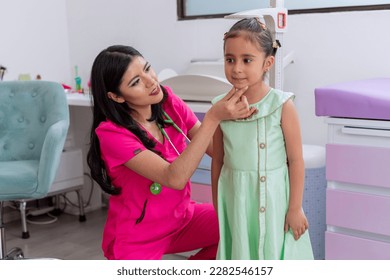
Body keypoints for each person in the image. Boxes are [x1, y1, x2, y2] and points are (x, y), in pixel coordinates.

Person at [87, 45, 256, 260]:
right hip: (137, 238)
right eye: (136, 82)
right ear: (117, 97)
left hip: (182, 219)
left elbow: (215, 150)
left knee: (243, 226)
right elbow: (174, 177)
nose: (150, 81)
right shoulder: (111, 134)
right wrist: (213, 117)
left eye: (147, 69)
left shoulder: (168, 103)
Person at [211, 18, 314, 260]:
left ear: (267, 63)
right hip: (237, 200)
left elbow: (296, 161)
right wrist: (219, 206)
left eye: (247, 60)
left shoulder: (282, 105)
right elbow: (218, 161)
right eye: (230, 60)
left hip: (276, 203)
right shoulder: (219, 108)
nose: (236, 68)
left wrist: (295, 208)